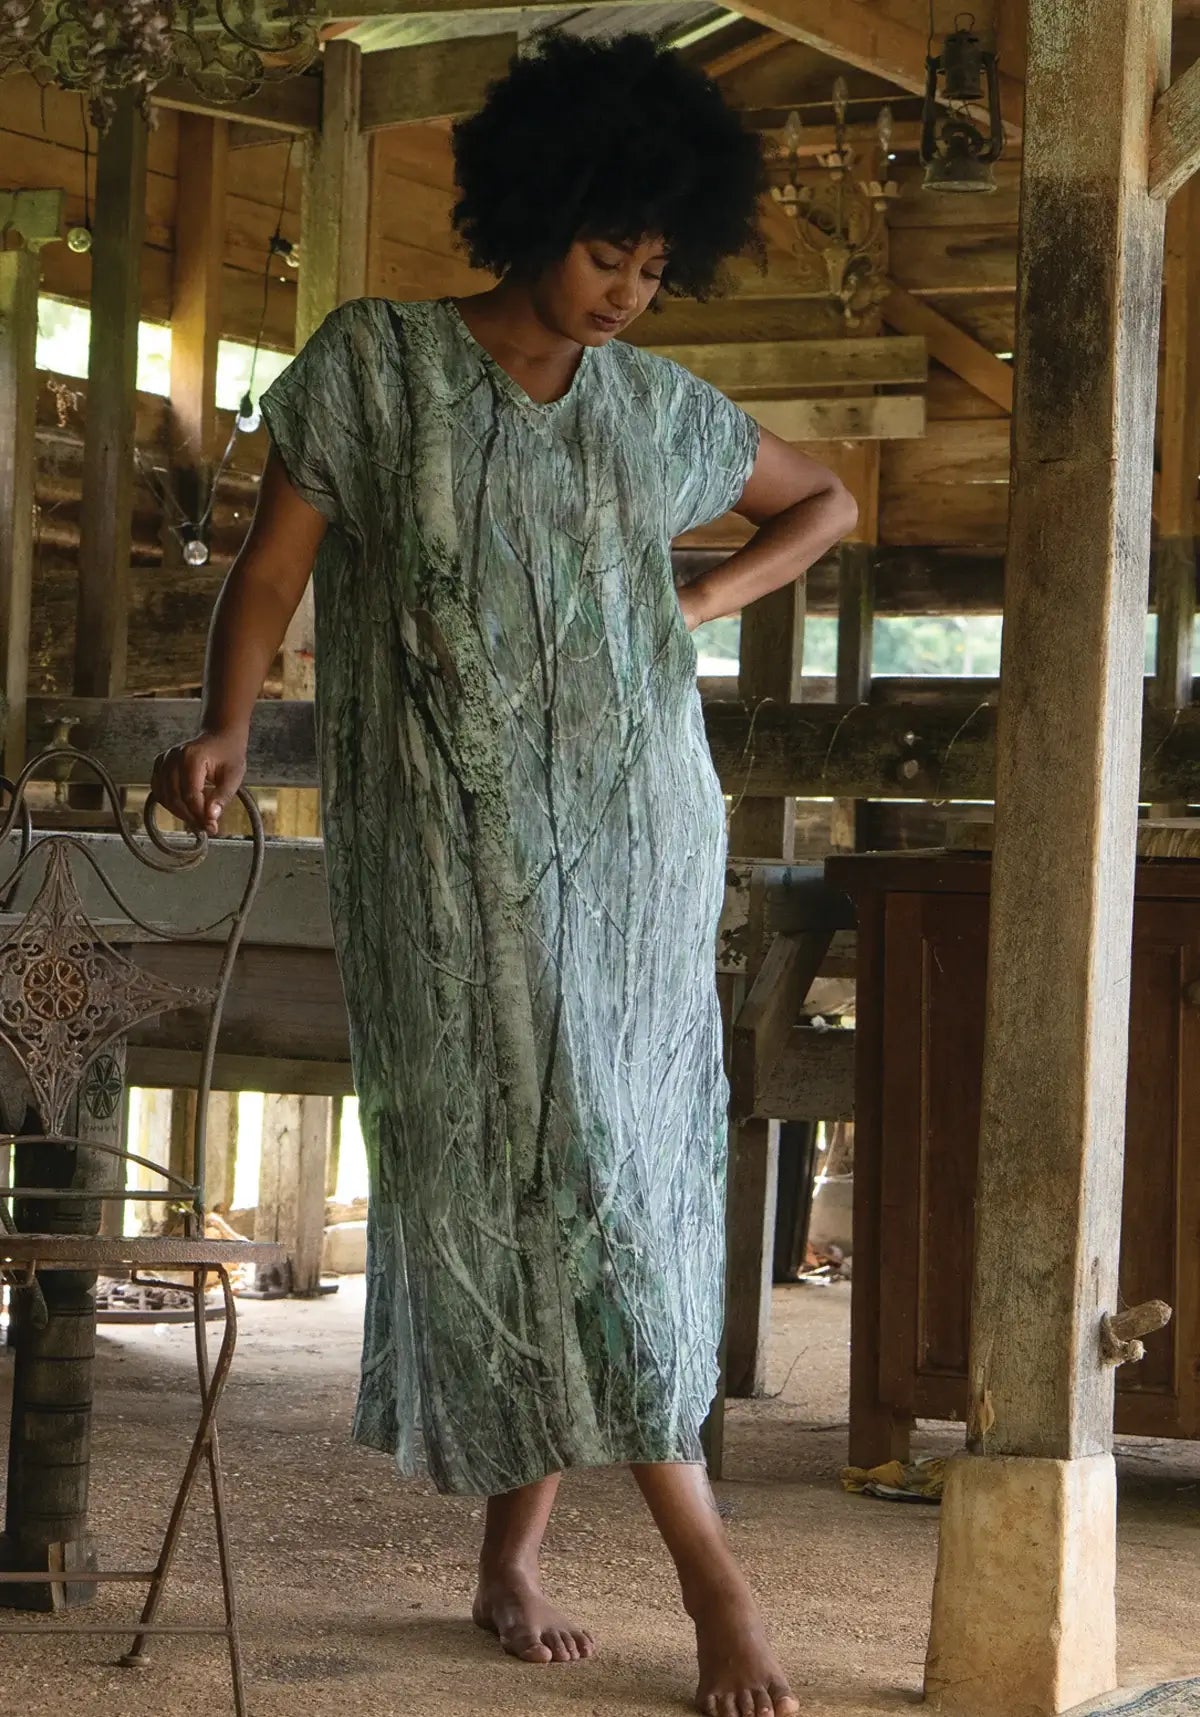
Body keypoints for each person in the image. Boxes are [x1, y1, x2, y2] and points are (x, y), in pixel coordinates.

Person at [152, 32, 857, 1717]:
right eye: (609, 252)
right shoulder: (376, 367)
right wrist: (228, 723)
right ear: (536, 213)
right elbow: (271, 575)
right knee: (538, 1172)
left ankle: (529, 1557)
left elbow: (828, 501)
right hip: (447, 853)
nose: (627, 292)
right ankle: (702, 1580)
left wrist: (690, 604)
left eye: (656, 267)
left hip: (634, 843)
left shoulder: (655, 410)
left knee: (607, 1169)